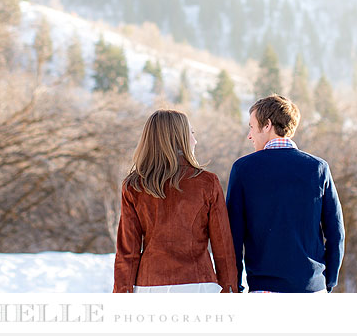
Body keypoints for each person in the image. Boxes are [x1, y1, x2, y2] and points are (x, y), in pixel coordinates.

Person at [226, 94, 344, 293]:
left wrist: (235, 284)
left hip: (264, 289)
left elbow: (233, 236)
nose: (249, 135)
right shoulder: (318, 168)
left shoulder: (243, 169)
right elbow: (336, 231)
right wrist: (329, 280)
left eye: (251, 127)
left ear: (267, 125)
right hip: (312, 289)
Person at [113, 109, 238, 293]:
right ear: (180, 138)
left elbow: (127, 251)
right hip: (197, 284)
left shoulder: (134, 185)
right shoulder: (207, 182)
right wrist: (230, 289)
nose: (195, 140)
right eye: (192, 133)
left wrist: (122, 292)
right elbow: (223, 247)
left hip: (149, 285)